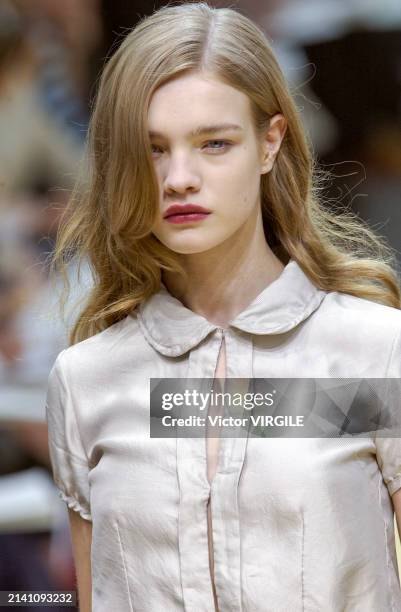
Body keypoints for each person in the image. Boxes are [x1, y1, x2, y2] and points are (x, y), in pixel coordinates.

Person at [45, 3, 401, 611]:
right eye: (152, 148)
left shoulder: (372, 352)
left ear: (270, 142)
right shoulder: (88, 382)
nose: (179, 178)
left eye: (214, 143)